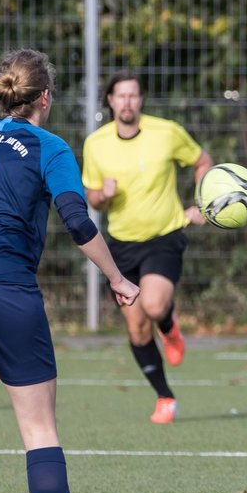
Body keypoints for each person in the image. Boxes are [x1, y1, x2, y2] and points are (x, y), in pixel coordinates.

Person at [0, 49, 141, 493]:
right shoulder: (49, 147)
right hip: (10, 294)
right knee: (39, 433)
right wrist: (119, 280)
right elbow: (77, 219)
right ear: (45, 98)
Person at [82, 72, 213, 424]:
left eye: (133, 95)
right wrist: (102, 195)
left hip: (164, 235)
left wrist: (201, 203)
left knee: (154, 304)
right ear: (110, 101)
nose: (126, 102)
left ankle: (169, 327)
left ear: (141, 100)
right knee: (137, 329)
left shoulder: (166, 132)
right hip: (121, 245)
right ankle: (165, 397)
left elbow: (203, 160)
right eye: (120, 96)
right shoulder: (96, 143)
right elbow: (92, 196)